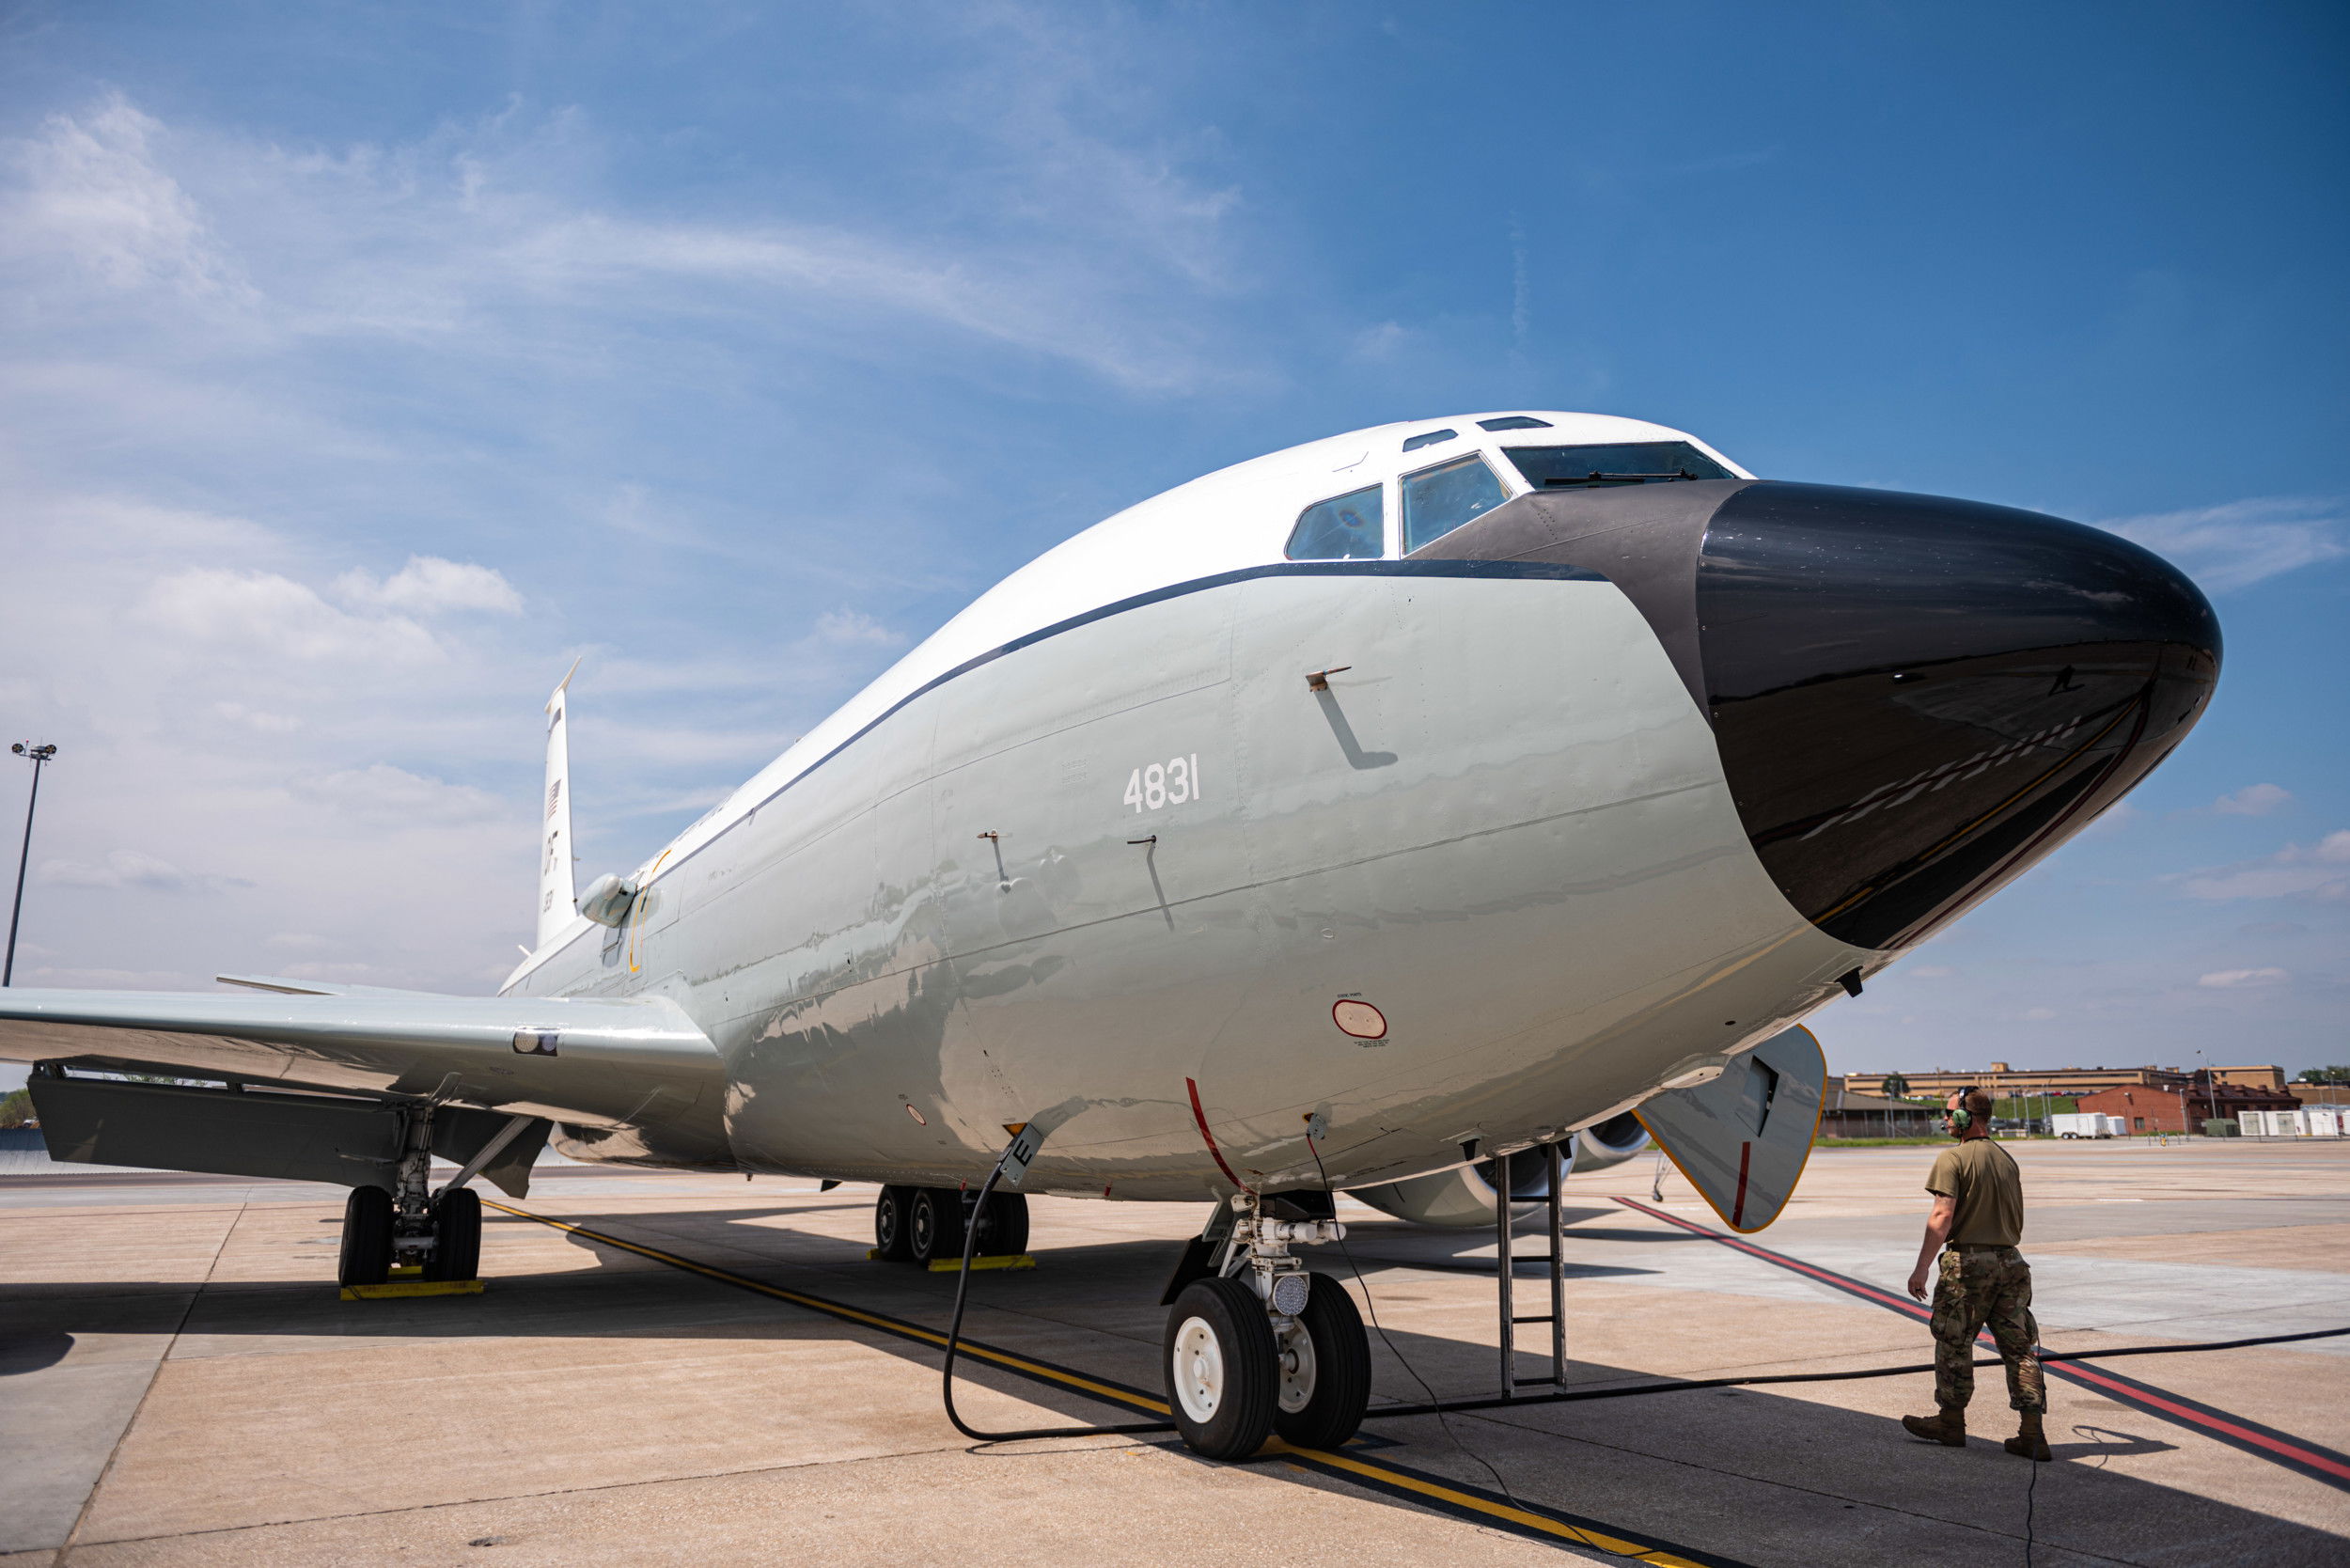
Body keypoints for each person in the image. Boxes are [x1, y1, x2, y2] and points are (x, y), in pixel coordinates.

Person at [1900, 1087, 2049, 1461]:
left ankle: (1951, 1422)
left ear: (1967, 1117)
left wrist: (1921, 1267)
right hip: (2011, 1263)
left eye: (1950, 1114)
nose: (1946, 1120)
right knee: (2020, 1350)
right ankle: (2032, 1433)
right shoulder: (2005, 1159)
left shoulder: (1953, 1159)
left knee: (1954, 1342)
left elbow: (1942, 1215)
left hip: (1969, 1264)